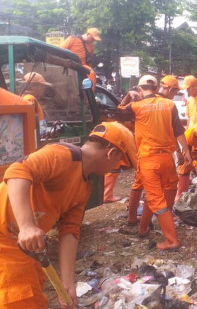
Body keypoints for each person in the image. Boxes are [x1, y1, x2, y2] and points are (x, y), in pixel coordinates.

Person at [0, 121, 136, 309]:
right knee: (18, 298)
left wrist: (67, 283)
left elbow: (69, 232)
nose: (115, 170)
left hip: (26, 249)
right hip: (5, 241)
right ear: (111, 154)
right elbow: (17, 172)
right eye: (118, 165)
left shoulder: (83, 188)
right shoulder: (62, 155)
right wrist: (27, 225)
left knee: (34, 298)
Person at [117, 75, 192, 250]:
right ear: (156, 88)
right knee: (163, 196)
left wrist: (129, 96)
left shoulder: (136, 106)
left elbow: (118, 111)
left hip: (148, 160)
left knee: (156, 201)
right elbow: (178, 129)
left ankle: (172, 241)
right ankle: (143, 229)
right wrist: (185, 151)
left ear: (140, 89)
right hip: (167, 159)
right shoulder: (168, 105)